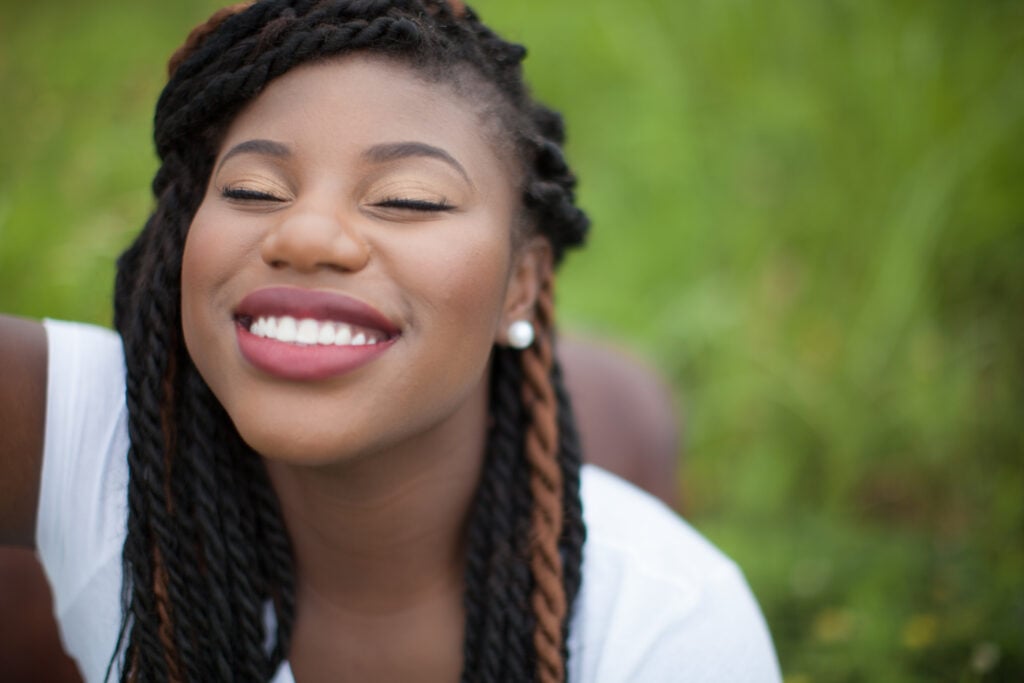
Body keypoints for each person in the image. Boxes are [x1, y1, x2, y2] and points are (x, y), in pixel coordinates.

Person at [0, 1, 781, 681]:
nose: (304, 232)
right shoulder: (102, 441)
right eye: (251, 190)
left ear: (523, 283)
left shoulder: (671, 627)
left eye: (407, 199)